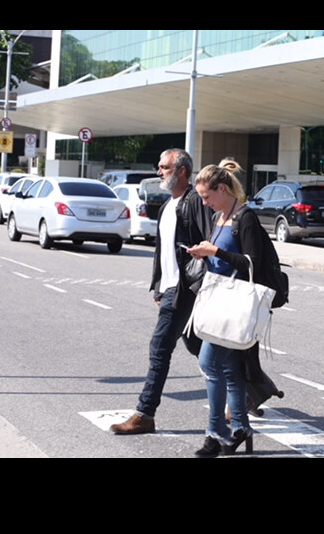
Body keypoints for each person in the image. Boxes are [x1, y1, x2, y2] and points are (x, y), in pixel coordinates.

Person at [109, 149, 213, 435]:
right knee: (199, 347)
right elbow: (162, 251)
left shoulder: (194, 202)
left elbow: (209, 244)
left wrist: (197, 286)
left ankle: (145, 413)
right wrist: (158, 285)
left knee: (159, 348)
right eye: (159, 167)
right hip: (170, 288)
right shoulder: (169, 205)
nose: (159, 172)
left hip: (186, 290)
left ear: (181, 171)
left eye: (164, 167)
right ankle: (246, 389)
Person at [187, 160, 266, 458]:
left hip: (235, 305)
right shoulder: (219, 216)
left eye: (207, 197)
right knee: (231, 369)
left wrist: (215, 251)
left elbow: (252, 265)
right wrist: (204, 253)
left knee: (209, 364)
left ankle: (215, 433)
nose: (204, 203)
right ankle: (240, 428)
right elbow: (219, 260)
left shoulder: (245, 218)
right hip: (218, 300)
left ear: (222, 188)